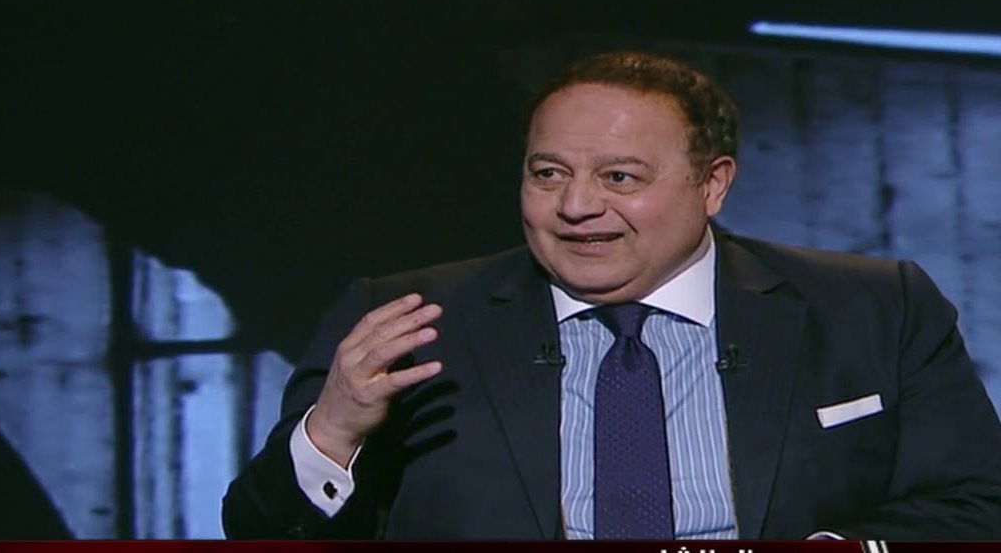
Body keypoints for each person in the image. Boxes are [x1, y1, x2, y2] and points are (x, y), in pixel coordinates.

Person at [221, 50, 1001, 540]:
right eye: (548, 173)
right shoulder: (412, 316)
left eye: (619, 176)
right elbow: (258, 532)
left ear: (712, 184)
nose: (575, 206)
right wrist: (332, 432)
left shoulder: (874, 308)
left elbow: (977, 503)